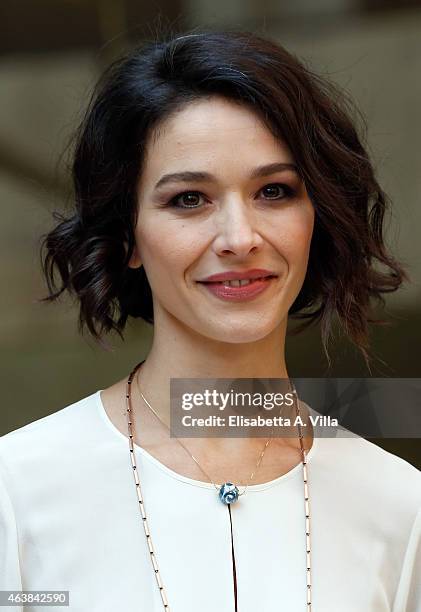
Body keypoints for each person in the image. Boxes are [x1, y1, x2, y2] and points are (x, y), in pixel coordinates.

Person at [0, 30, 419, 612]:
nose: (240, 238)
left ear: (315, 217)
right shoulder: (17, 492)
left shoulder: (398, 506)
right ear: (128, 236)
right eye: (189, 199)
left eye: (274, 191)